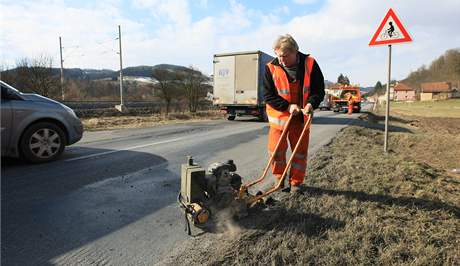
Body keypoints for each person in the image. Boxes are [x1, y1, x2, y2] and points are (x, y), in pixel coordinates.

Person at [263, 34, 325, 194]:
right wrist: (288, 107)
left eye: (285, 56)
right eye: (278, 56)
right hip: (279, 119)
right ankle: (279, 180)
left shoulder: (310, 64)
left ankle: (296, 183)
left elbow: (318, 90)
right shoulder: (271, 67)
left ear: (295, 51)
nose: (281, 60)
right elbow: (268, 96)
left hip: (301, 119)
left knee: (299, 153)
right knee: (276, 152)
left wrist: (311, 103)